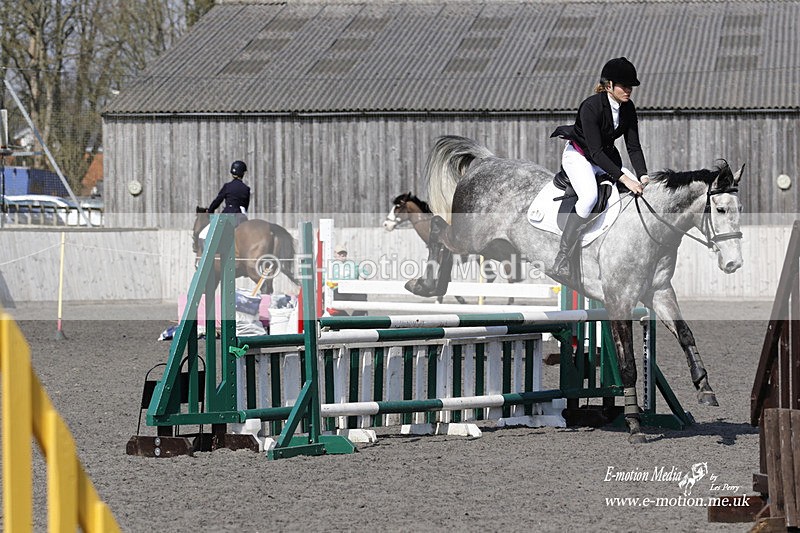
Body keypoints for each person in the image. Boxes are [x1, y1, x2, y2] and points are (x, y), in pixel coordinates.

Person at [549, 57, 649, 280]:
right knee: (589, 198)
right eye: (624, 86)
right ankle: (562, 258)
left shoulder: (628, 108)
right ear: (609, 85)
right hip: (580, 156)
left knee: (637, 194)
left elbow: (634, 146)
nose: (629, 90)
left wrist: (642, 175)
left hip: (604, 158)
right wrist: (625, 179)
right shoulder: (591, 106)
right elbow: (594, 152)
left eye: (630, 86)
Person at [326, 244, 367, 315]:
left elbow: (364, 272)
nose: (342, 255)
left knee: (362, 299)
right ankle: (346, 319)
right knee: (330, 302)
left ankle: (355, 320)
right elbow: (323, 280)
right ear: (335, 254)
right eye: (339, 253)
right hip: (337, 290)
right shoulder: (330, 266)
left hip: (352, 289)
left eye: (344, 253)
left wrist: (362, 277)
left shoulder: (353, 264)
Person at [207, 160, 250, 226]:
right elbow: (245, 206)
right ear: (243, 173)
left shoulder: (227, 186)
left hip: (227, 215)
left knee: (213, 234)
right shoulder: (246, 189)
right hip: (241, 217)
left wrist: (210, 211)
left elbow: (218, 201)